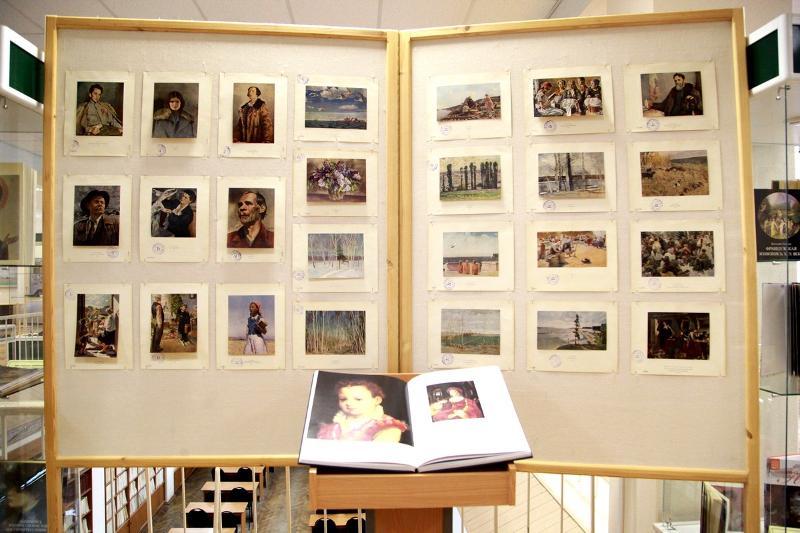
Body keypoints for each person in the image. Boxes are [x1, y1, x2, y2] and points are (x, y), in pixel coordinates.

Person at [316, 380, 408, 442]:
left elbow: (380, 454)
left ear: (377, 400)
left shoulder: (386, 425)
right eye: (343, 399)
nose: (349, 403)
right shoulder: (333, 426)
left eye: (358, 399)